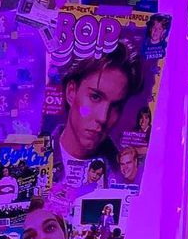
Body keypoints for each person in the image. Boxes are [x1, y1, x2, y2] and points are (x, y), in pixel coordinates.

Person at [53, 43, 144, 175]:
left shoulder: (123, 172)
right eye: (95, 97)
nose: (103, 117)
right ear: (71, 92)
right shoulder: (35, 155)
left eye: (115, 106)